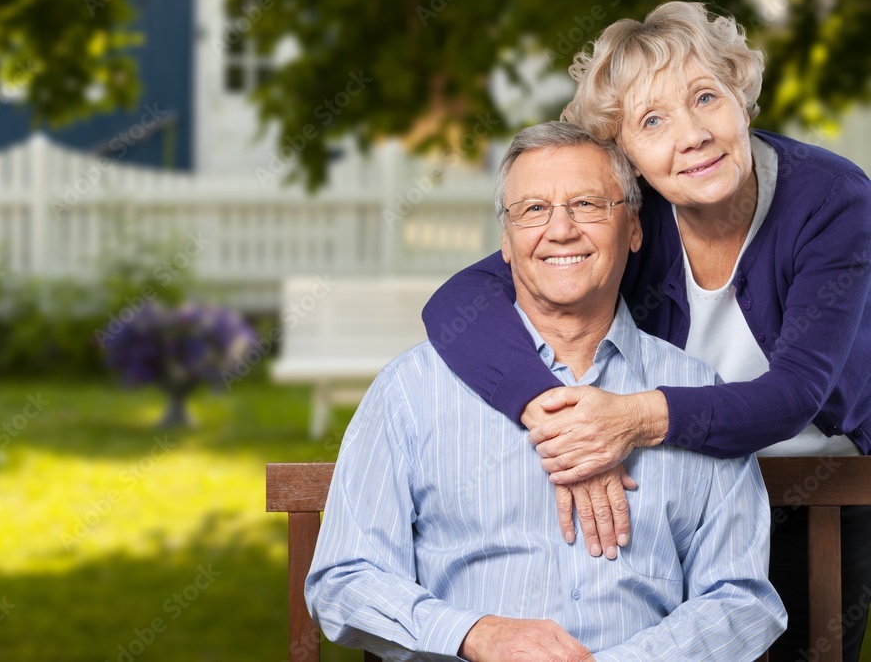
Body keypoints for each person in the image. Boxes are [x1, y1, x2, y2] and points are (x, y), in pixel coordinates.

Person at [421, 2, 871, 661]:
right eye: (653, 120)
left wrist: (630, 420)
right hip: (682, 502)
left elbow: (794, 395)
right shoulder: (635, 217)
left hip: (819, 493)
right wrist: (558, 416)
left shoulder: (833, 201)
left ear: (742, 101)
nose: (691, 135)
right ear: (623, 154)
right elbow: (460, 300)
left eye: (706, 98)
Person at [307, 122, 785, 661]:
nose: (560, 230)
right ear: (506, 244)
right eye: (533, 210)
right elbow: (344, 579)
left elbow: (741, 598)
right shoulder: (412, 391)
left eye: (587, 204)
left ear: (633, 228)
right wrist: (476, 634)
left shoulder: (695, 394)